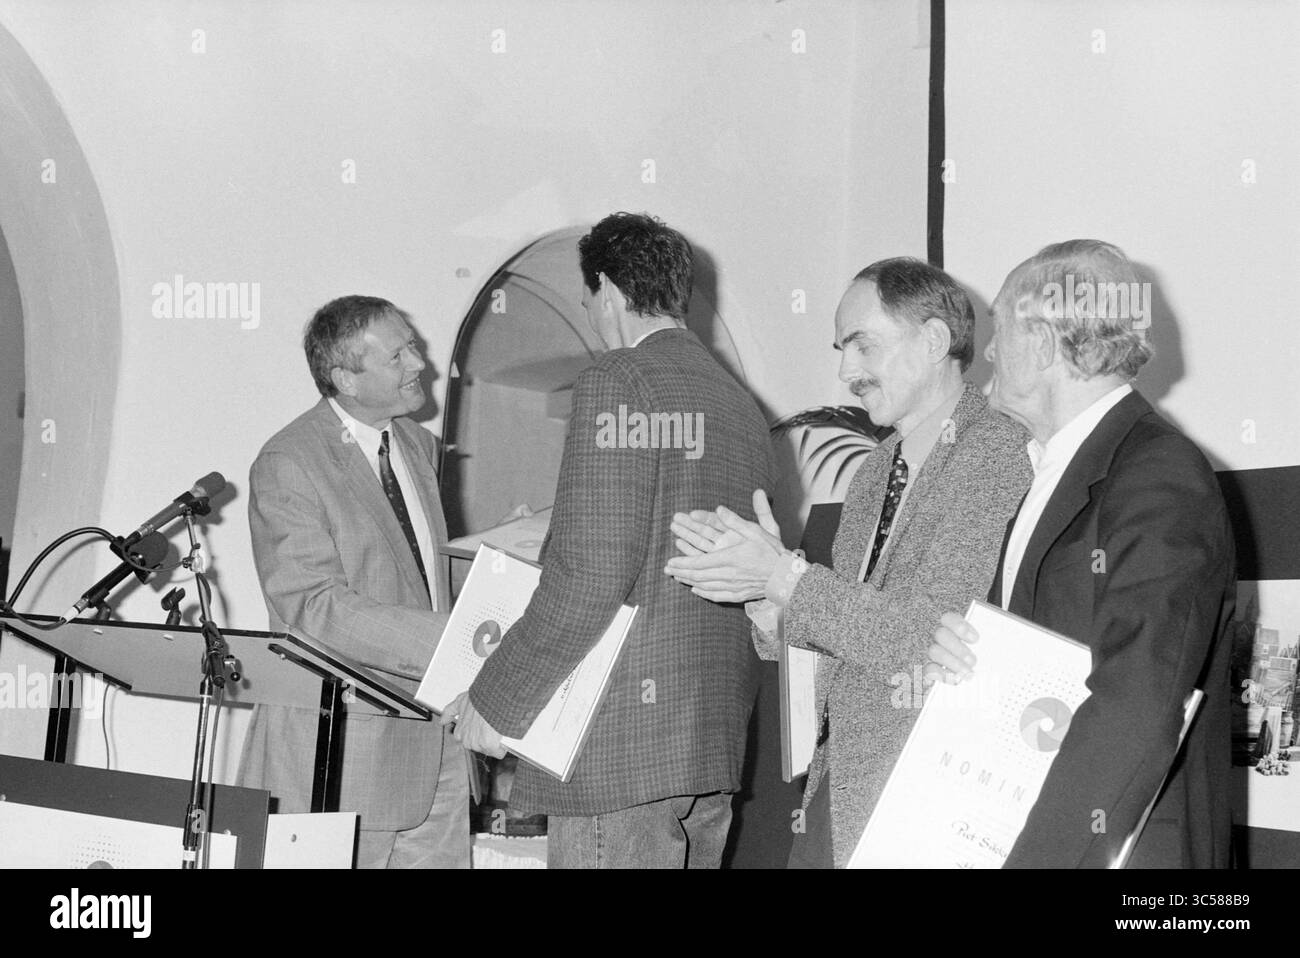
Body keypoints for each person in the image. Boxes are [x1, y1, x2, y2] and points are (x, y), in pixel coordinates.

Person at [666, 257, 1031, 868]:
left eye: (863, 345)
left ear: (935, 339)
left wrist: (785, 576)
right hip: (839, 787)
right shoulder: (872, 474)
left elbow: (929, 638)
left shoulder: (996, 451)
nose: (845, 371)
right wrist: (765, 601)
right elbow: (845, 639)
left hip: (929, 798)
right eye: (841, 349)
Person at [447, 212, 775, 868]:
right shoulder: (741, 406)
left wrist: (497, 696)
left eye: (592, 299)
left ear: (610, 291)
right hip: (709, 740)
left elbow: (592, 570)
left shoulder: (620, 381)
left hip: (622, 748)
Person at [927, 240, 1236, 868]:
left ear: (1042, 344)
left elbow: (1137, 701)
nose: (986, 352)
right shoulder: (1055, 469)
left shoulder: (1157, 472)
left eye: (1001, 331)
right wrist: (970, 653)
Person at [238, 295, 469, 868]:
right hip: (344, 753)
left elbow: (418, 576)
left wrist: (502, 561)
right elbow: (311, 606)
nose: (420, 363)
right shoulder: (289, 460)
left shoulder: (418, 445)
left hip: (440, 743)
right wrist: (453, 640)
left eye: (412, 345)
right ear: (345, 378)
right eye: (398, 355)